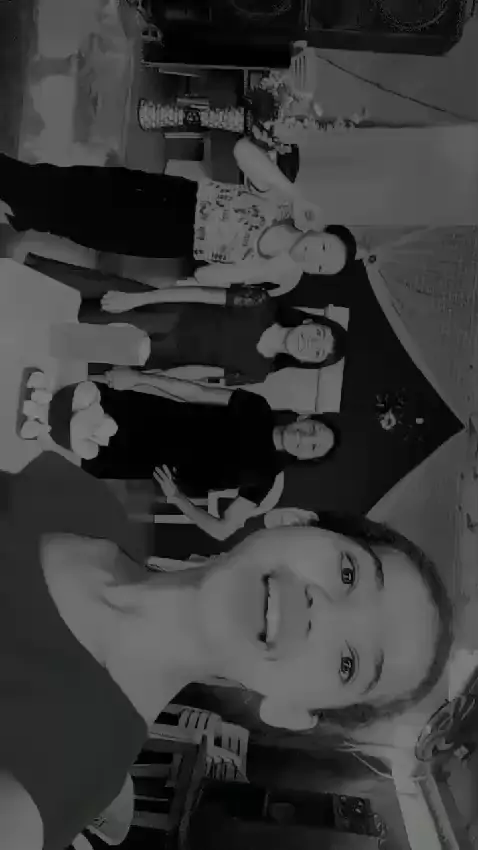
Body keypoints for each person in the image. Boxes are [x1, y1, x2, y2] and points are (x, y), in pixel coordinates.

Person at [0, 452, 453, 850]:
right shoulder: (93, 506)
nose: (322, 611)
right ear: (294, 520)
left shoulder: (70, 770)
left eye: (348, 664)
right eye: (349, 573)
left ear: (291, 711)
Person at [0, 139, 356, 295]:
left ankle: (24, 208)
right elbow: (242, 150)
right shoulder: (281, 203)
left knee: (81, 227)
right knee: (78, 187)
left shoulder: (273, 273)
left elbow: (204, 275)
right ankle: (18, 188)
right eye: (325, 248)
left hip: (169, 239)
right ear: (320, 230)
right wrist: (294, 193)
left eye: (321, 267)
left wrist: (255, 271)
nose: (315, 258)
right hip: (174, 198)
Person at [50, 376, 339, 540]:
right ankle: (64, 411)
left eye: (313, 447)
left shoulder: (264, 479)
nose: (305, 438)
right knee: (74, 399)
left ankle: (66, 428)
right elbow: (196, 392)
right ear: (305, 418)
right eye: (313, 429)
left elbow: (223, 530)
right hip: (153, 415)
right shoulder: (257, 407)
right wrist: (138, 377)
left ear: (305, 458)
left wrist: (177, 498)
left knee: (69, 443)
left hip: (151, 458)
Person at [24, 253, 347, 383]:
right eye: (319, 334)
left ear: (307, 362)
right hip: (165, 313)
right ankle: (18, 280)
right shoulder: (261, 302)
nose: (311, 344)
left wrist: (140, 378)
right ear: (309, 323)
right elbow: (200, 294)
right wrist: (139, 299)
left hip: (160, 354)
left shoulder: (258, 372)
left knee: (62, 342)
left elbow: (199, 373)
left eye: (317, 353)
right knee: (82, 306)